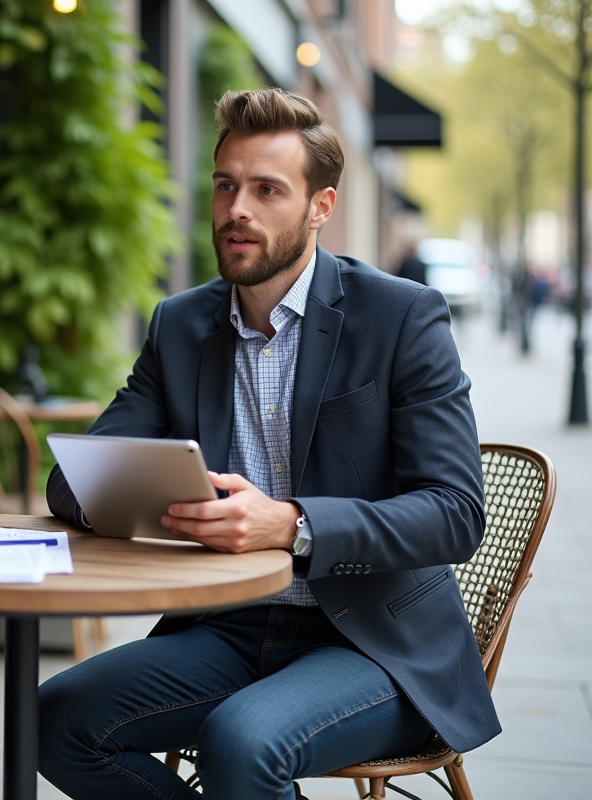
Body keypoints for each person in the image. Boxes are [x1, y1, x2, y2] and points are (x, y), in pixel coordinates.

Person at [38, 88, 496, 800]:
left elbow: (456, 512)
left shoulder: (400, 317)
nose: (237, 210)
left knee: (242, 741)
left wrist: (291, 524)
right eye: (226, 186)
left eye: (266, 190)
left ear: (321, 207)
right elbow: (74, 484)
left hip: (373, 643)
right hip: (229, 626)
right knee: (55, 718)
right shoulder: (181, 326)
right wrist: (181, 506)